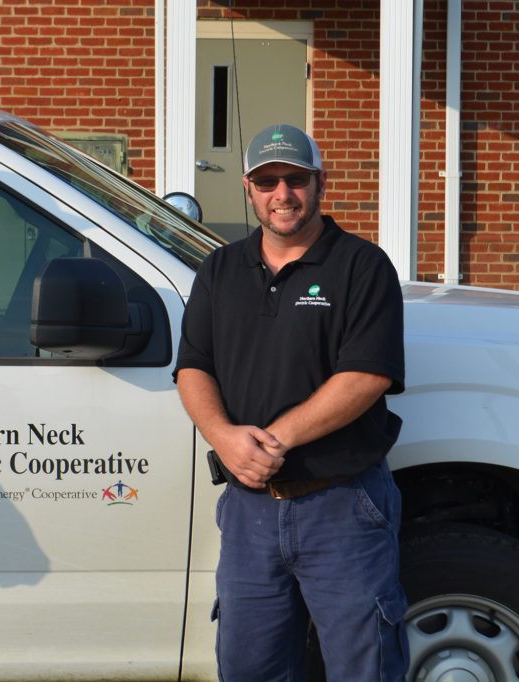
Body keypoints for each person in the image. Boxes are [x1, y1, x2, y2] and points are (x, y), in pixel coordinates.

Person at [174, 123, 409, 681]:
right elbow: (192, 369)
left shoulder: (362, 267)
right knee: (249, 668)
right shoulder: (219, 270)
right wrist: (225, 438)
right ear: (249, 190)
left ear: (319, 182)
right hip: (248, 511)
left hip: (343, 506)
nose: (283, 194)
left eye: (295, 179)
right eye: (267, 180)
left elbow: (368, 375)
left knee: (364, 668)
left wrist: (273, 441)